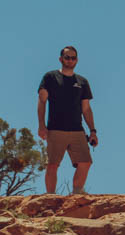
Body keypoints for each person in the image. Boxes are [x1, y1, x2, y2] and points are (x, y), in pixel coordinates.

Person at [38, 46, 98, 194]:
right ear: (61, 59)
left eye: (73, 58)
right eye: (67, 57)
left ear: (76, 60)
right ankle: (50, 197)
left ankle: (77, 192)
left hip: (77, 129)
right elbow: (42, 101)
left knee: (85, 162)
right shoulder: (50, 77)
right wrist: (41, 126)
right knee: (52, 164)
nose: (70, 60)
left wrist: (93, 131)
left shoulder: (82, 82)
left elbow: (86, 109)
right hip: (55, 128)